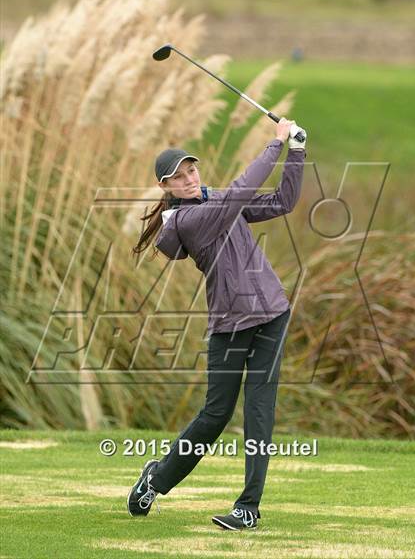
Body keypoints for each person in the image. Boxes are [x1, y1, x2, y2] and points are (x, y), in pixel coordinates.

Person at [128, 118, 306, 530]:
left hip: (272, 314)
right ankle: (156, 479)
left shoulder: (217, 199)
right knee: (216, 414)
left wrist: (297, 151)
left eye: (191, 170)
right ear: (166, 187)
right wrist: (275, 144)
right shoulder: (187, 222)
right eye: (178, 176)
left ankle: (248, 508)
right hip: (229, 323)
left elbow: (283, 201)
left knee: (260, 411)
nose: (189, 178)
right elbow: (239, 194)